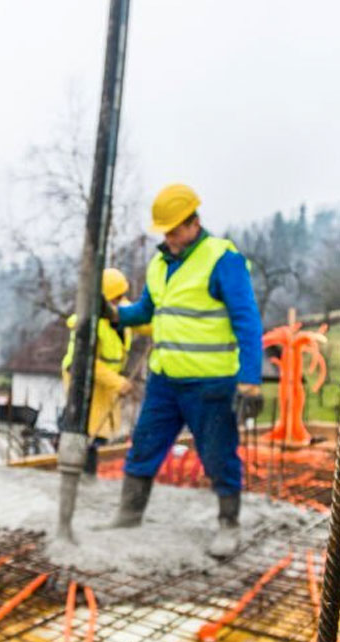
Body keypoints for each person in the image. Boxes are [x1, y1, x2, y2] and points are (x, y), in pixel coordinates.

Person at [104, 183, 263, 557]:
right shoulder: (160, 263)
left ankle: (228, 525)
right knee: (143, 445)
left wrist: (251, 381)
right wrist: (115, 315)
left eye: (175, 231)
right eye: (166, 232)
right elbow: (147, 310)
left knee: (218, 454)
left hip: (210, 384)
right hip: (164, 381)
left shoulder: (222, 259)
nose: (170, 239)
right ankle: (128, 515)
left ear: (194, 223)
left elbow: (248, 322)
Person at [62, 268, 134, 476]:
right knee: (87, 434)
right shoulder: (88, 325)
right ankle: (82, 475)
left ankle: (88, 475)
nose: (122, 301)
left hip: (105, 387)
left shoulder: (122, 312)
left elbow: (143, 321)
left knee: (100, 433)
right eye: (117, 297)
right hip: (85, 385)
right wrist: (118, 382)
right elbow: (86, 361)